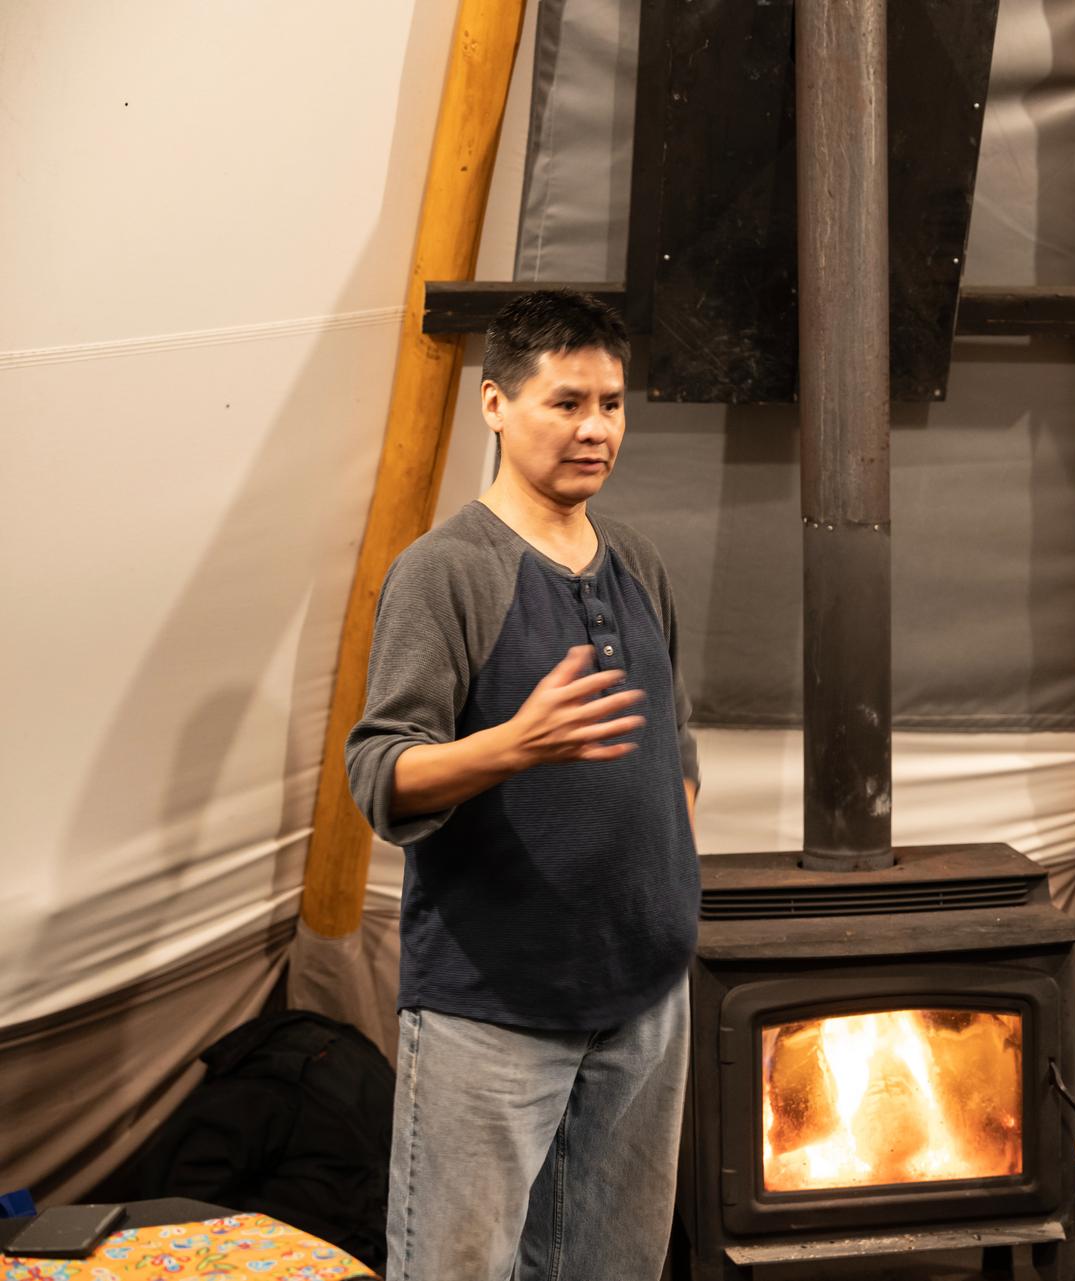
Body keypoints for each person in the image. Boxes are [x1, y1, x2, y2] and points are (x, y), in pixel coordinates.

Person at [346, 289, 701, 1280]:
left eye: (614, 403)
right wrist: (512, 745)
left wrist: (668, 896)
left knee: (608, 1267)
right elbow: (379, 771)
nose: (595, 429)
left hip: (642, 998)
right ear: (496, 406)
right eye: (567, 403)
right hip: (491, 1007)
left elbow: (673, 748)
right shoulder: (446, 572)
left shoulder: (638, 565)